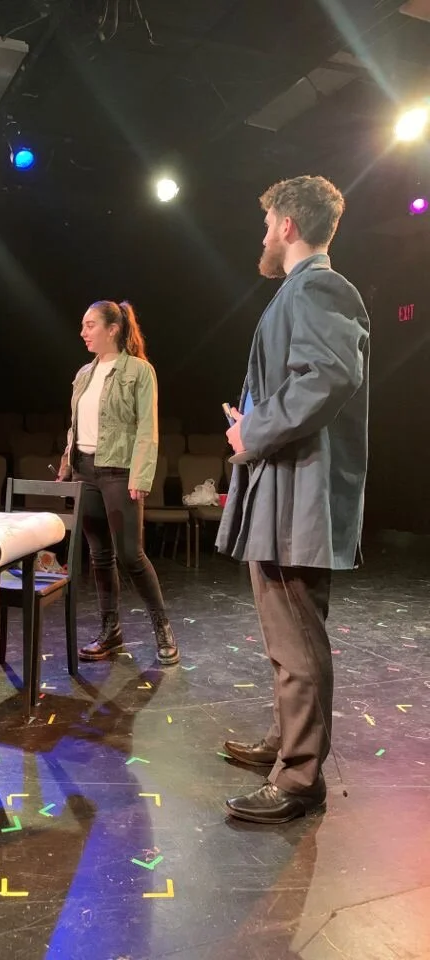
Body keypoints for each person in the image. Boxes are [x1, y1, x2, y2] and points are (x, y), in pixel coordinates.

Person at [217, 175, 370, 824]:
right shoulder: (301, 293)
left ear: (287, 225)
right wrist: (251, 420)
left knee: (296, 630)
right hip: (285, 486)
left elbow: (329, 376)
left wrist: (251, 429)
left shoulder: (318, 287)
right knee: (287, 631)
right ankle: (289, 743)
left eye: (266, 222)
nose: (262, 235)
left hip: (298, 493)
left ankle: (301, 775)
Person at [58, 300, 179, 666]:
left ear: (113, 328)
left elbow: (148, 428)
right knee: (100, 556)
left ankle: (162, 627)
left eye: (90, 325)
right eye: (83, 325)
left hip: (119, 471)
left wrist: (141, 475)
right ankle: (110, 632)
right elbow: (76, 425)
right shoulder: (84, 374)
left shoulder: (140, 371)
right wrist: (67, 461)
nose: (83, 332)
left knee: (130, 554)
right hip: (86, 470)